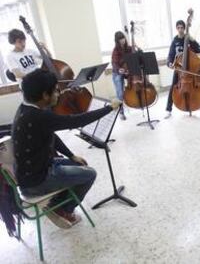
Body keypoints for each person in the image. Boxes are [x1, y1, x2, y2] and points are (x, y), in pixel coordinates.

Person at [12, 69, 121, 229]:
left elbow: (50, 135)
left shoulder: (26, 109)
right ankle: (62, 209)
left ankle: (58, 203)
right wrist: (109, 108)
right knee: (90, 174)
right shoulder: (38, 116)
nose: (59, 94)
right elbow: (75, 121)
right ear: (44, 95)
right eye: (56, 90)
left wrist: (71, 155)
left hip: (33, 170)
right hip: (36, 181)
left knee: (79, 165)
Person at [164, 20, 200, 119]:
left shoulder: (188, 39)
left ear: (185, 28)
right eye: (178, 28)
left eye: (182, 28)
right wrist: (170, 63)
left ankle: (195, 102)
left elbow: (198, 49)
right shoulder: (175, 41)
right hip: (179, 70)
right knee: (173, 87)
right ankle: (168, 109)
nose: (180, 30)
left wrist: (192, 40)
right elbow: (170, 56)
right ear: (177, 28)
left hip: (190, 70)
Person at [111, 31, 132, 120]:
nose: (122, 40)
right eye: (120, 39)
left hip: (127, 72)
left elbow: (132, 59)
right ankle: (121, 112)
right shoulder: (115, 51)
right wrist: (120, 70)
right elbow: (114, 64)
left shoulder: (129, 48)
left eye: (123, 38)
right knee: (120, 93)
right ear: (117, 41)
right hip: (117, 73)